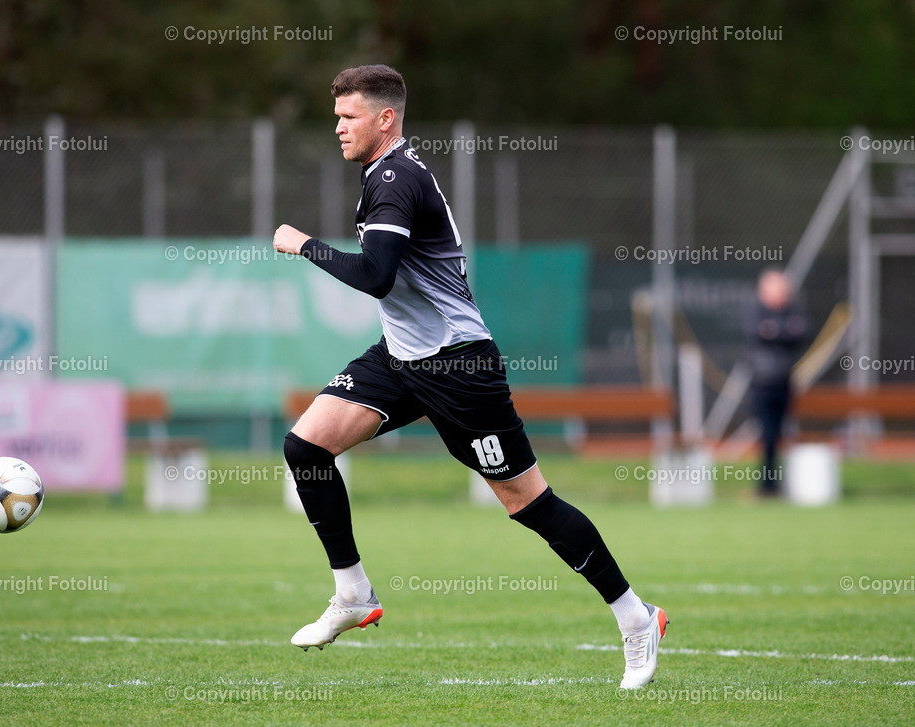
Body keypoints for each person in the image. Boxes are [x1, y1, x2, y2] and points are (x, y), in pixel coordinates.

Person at [272, 64, 667, 689]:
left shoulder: (397, 179)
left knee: (528, 504)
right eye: (336, 118)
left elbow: (376, 275)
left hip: (458, 367)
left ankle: (636, 617)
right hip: (401, 358)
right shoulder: (383, 175)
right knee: (306, 445)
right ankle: (351, 593)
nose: (339, 130)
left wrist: (305, 244)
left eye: (348, 118)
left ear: (386, 119)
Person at [743, 269, 810, 497]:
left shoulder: (793, 310)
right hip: (762, 383)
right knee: (768, 435)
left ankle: (783, 484)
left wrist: (774, 331)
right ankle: (767, 485)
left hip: (785, 381)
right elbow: (757, 332)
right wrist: (782, 332)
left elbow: (800, 333)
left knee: (783, 434)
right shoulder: (755, 310)